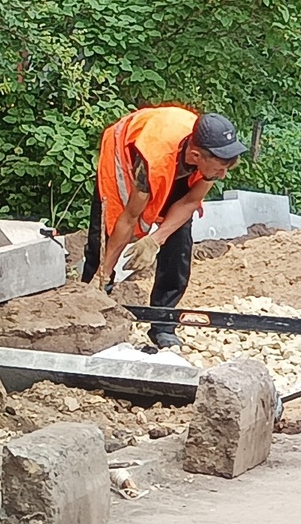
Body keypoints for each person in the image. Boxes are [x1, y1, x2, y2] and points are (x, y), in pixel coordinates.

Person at [80, 106, 248, 345]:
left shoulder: (209, 162)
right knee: (105, 238)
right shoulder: (154, 159)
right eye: (220, 169)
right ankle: (88, 304)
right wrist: (105, 273)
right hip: (127, 159)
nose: (223, 176)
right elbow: (128, 218)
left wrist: (154, 240)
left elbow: (190, 202)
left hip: (177, 166)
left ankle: (163, 324)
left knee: (178, 248)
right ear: (197, 155)